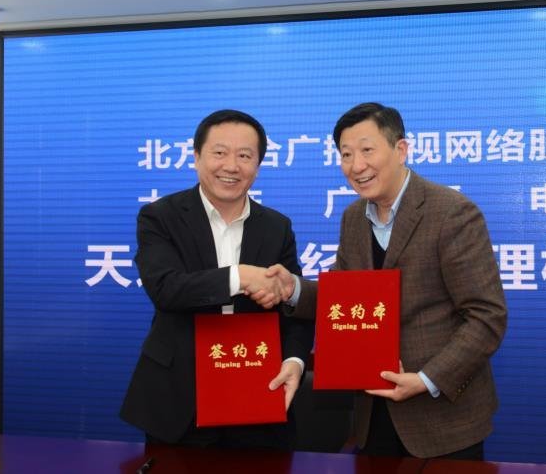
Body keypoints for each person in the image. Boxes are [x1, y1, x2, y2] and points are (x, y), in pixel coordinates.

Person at [267, 102, 507, 459]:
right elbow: (345, 300)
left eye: (367, 150)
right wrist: (293, 289)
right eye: (346, 154)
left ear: (401, 149)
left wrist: (426, 379)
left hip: (442, 420)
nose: (356, 166)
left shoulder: (451, 213)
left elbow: (487, 316)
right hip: (372, 412)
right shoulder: (353, 217)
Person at [120, 109, 314, 449]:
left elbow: (291, 307)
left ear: (258, 165)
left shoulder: (277, 226)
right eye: (220, 152)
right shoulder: (160, 216)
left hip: (259, 393)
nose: (231, 166)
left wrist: (295, 361)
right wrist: (240, 277)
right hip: (181, 399)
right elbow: (166, 289)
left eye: (245, 156)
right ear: (197, 157)